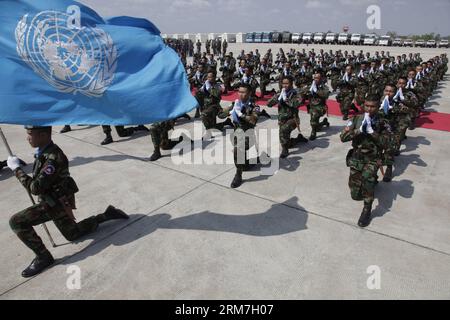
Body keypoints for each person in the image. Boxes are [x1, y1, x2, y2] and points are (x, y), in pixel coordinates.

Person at [7, 126, 129, 278]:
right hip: (55, 200)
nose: (27, 138)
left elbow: (35, 188)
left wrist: (16, 169)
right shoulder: (44, 152)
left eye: (30, 134)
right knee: (73, 234)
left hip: (53, 203)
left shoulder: (54, 158)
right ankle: (106, 215)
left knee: (16, 222)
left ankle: (44, 257)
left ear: (43, 135)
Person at [340, 96, 392, 228]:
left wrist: (372, 132)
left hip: (373, 158)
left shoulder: (383, 122)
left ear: (378, 106)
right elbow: (343, 137)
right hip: (357, 158)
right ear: (363, 106)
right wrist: (358, 131)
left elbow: (387, 143)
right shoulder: (356, 119)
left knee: (367, 180)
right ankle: (373, 180)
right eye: (367, 106)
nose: (369, 109)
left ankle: (367, 209)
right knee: (355, 195)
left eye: (373, 106)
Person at [219, 84, 259, 189]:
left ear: (249, 93)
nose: (240, 94)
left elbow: (253, 121)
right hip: (236, 135)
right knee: (244, 163)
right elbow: (220, 115)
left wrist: (241, 114)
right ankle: (255, 160)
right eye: (239, 92)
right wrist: (229, 111)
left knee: (238, 150)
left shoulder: (254, 106)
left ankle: (238, 175)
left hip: (248, 135)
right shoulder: (236, 104)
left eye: (243, 92)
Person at [267, 76, 308, 158]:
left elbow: (296, 104)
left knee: (283, 131)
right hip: (282, 119)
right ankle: (297, 139)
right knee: (286, 139)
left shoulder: (296, 93)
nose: (285, 85)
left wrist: (285, 99)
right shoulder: (281, 93)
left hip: (293, 119)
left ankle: (285, 149)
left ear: (291, 84)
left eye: (287, 83)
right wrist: (278, 97)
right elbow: (269, 104)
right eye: (283, 83)